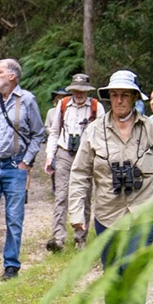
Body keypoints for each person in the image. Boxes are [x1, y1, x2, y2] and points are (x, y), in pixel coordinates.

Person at [67, 70, 153, 304]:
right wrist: (76, 213)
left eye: (124, 95)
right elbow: (79, 174)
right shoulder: (94, 131)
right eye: (114, 95)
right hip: (108, 213)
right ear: (108, 98)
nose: (119, 100)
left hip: (145, 210)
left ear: (133, 98)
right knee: (113, 272)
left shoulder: (151, 129)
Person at [0, 59, 45, 280]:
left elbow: (39, 133)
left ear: (12, 76)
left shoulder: (27, 100)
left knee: (14, 217)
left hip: (15, 165)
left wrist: (26, 160)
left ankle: (12, 265)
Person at [44, 74, 106, 252]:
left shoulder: (96, 107)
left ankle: (81, 238)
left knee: (84, 196)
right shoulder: (63, 105)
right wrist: (50, 156)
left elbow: (103, 133)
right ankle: (58, 238)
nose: (79, 94)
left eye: (82, 90)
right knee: (61, 195)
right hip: (64, 153)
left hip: (86, 155)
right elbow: (54, 132)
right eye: (76, 90)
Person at [43, 88, 71, 197]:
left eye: (63, 96)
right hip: (55, 141)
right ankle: (55, 187)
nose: (61, 98)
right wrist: (53, 132)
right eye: (59, 96)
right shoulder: (51, 112)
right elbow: (47, 126)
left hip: (66, 142)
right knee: (53, 164)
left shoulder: (70, 111)